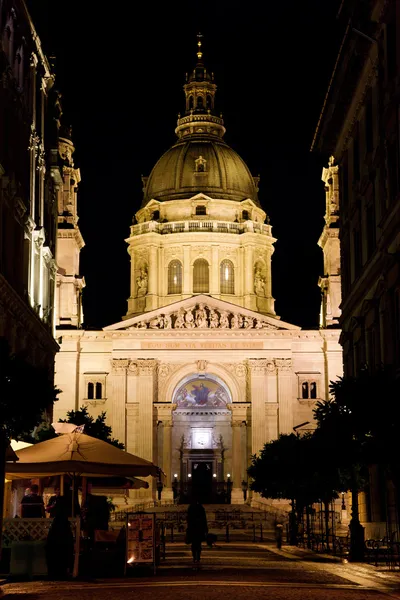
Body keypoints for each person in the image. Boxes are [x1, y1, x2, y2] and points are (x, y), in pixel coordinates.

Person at [45, 497, 74, 580]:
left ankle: (55, 571)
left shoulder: (56, 521)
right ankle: (63, 571)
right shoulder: (65, 521)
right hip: (63, 539)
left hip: (56, 540)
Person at [186, 499, 208, 569]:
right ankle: (197, 556)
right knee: (198, 544)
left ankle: (194, 556)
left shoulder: (191, 508)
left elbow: (188, 519)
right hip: (199, 529)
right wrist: (205, 529)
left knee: (194, 544)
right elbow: (204, 519)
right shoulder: (201, 508)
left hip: (193, 528)